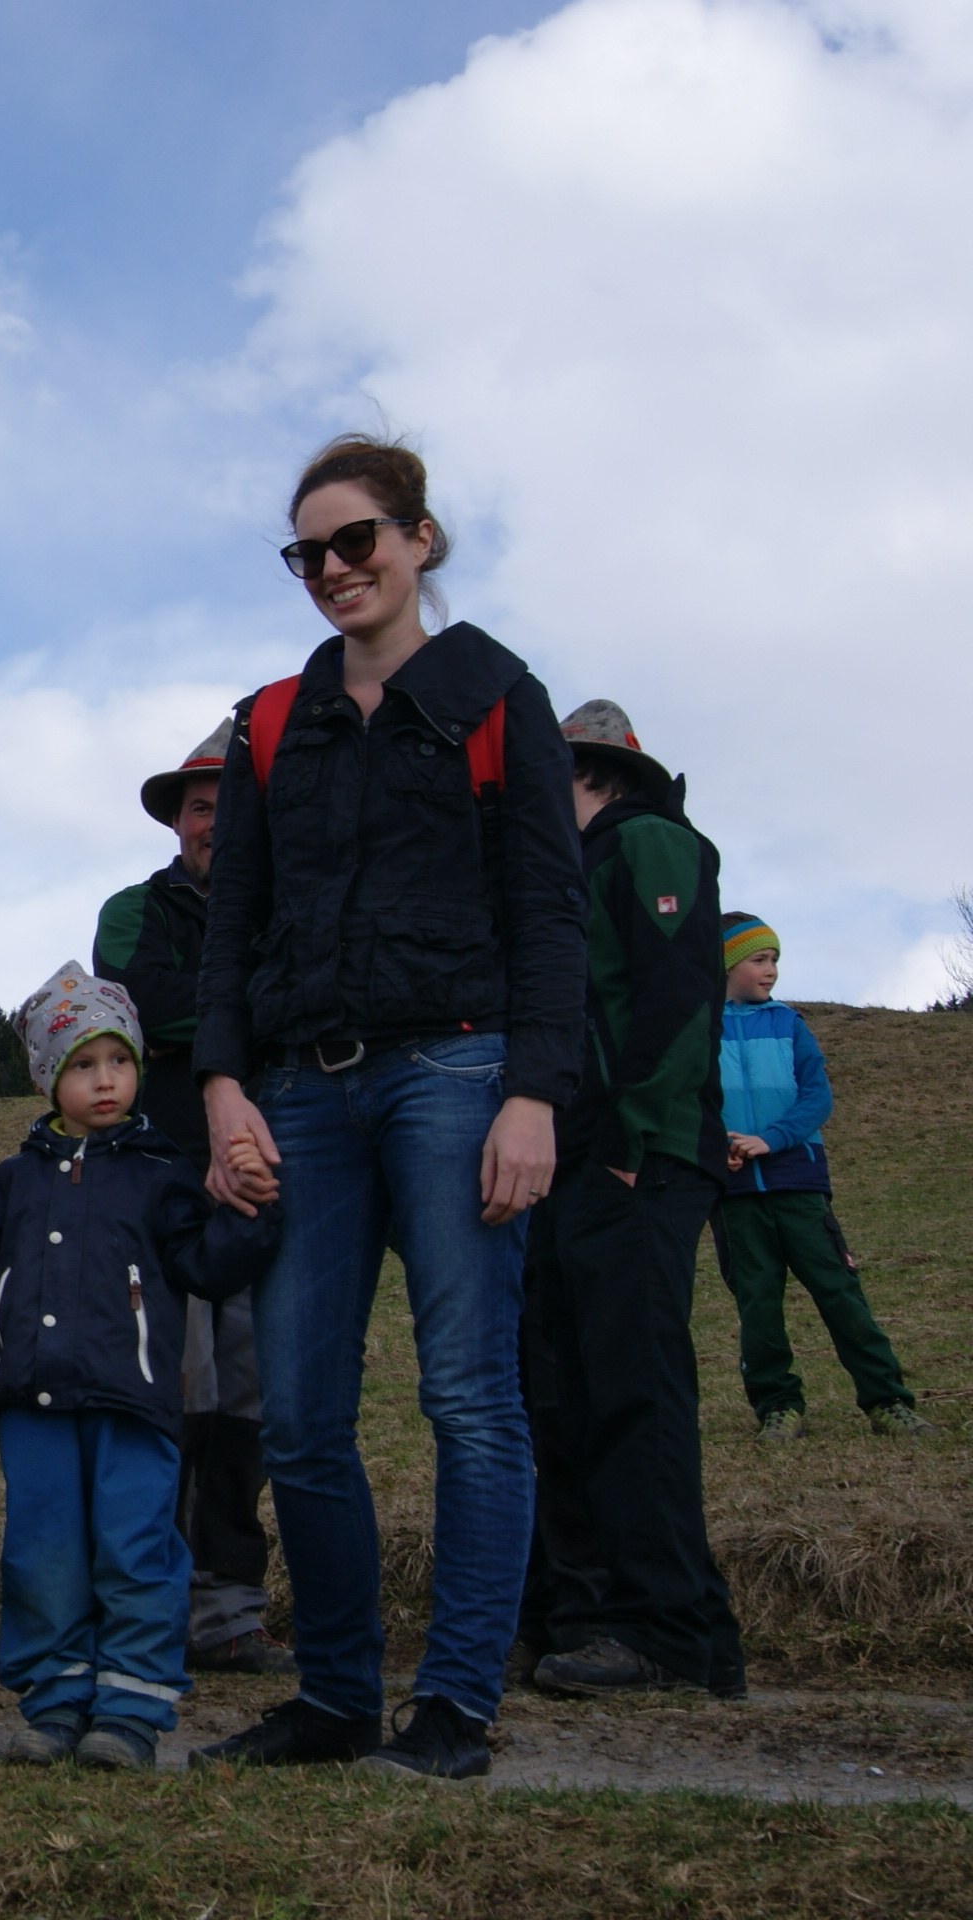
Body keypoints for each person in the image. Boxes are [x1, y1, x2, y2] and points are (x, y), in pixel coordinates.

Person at [190, 434, 586, 1781]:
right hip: (300, 1091)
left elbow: (549, 913)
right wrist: (224, 1088)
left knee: (469, 1397)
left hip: (458, 1075)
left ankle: (455, 1707)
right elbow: (232, 921)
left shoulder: (497, 697)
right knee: (301, 1414)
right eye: (307, 552)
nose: (332, 569)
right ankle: (335, 1701)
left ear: (420, 539)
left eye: (355, 540)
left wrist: (532, 1093)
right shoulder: (268, 722)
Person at [0, 965, 279, 1771]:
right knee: (42, 1554)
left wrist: (254, 1210)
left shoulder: (164, 1176)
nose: (105, 1080)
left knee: (136, 1549)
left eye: (119, 1061)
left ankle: (129, 1710)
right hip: (31, 1408)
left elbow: (206, 1266)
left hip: (136, 1404)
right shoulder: (11, 1182)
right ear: (47, 1077)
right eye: (83, 1064)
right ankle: (55, 1703)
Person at [510, 701, 745, 1700]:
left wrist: (631, 1140)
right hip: (575, 1160)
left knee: (633, 1384)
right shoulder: (571, 867)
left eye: (545, 774)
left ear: (593, 774)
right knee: (566, 1384)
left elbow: (679, 992)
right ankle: (593, 1615)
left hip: (635, 1158)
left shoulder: (648, 840)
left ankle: (668, 1631)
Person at [97, 716, 291, 1679]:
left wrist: (209, 1010)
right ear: (177, 821)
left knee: (249, 1400)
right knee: (173, 1392)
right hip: (161, 1183)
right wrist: (259, 1006)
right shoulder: (133, 909)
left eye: (232, 805)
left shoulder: (292, 904)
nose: (216, 822)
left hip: (268, 1178)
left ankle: (228, 1610)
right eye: (202, 806)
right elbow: (133, 1000)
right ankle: (149, 1603)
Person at [714, 914, 932, 1439]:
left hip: (799, 1184)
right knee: (758, 1305)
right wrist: (715, 1144)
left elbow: (817, 1097)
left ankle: (887, 1401)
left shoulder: (789, 1024)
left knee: (840, 1292)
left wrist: (771, 1139)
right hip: (734, 1193)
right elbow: (688, 1098)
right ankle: (778, 1408)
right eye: (758, 960)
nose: (771, 970)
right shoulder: (698, 1030)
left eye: (775, 960)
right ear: (724, 964)